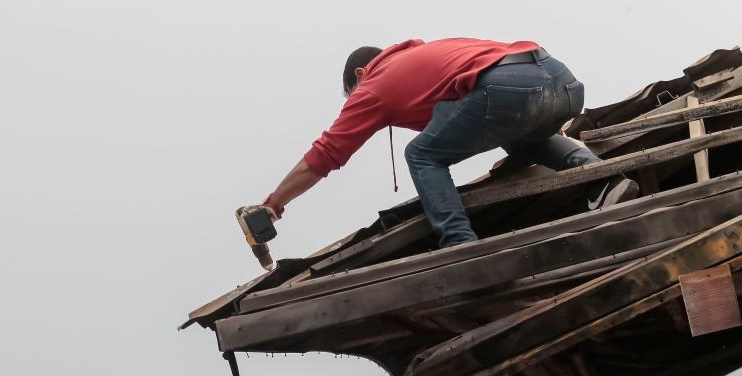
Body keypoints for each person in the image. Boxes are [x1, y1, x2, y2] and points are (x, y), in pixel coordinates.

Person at [261, 38, 639, 248]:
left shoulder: (375, 83)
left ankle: (459, 243)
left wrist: (274, 204)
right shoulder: (427, 59)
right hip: (560, 81)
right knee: (525, 141)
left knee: (420, 154)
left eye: (351, 95)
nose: (355, 105)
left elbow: (326, 154)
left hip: (508, 89)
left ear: (361, 74)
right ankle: (603, 178)